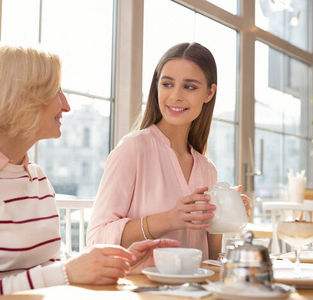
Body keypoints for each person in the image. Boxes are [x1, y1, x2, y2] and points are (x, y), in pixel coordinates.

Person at [0, 42, 180, 300]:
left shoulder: (34, 176)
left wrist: (115, 265)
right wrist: (67, 274)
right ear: (21, 97)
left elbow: (46, 265)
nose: (66, 105)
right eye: (56, 91)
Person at [86, 42, 251, 260]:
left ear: (209, 93)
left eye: (189, 87)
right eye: (167, 84)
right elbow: (97, 239)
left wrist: (224, 215)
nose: (175, 96)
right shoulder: (133, 149)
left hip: (195, 291)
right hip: (141, 290)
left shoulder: (206, 168)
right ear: (157, 86)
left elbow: (209, 259)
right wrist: (169, 219)